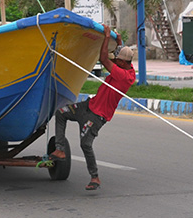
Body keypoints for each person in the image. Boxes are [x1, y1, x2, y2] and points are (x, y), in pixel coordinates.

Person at [50, 25, 136, 191]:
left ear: (123, 63)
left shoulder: (124, 76)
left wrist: (105, 37)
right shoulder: (126, 66)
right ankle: (60, 149)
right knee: (61, 113)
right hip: (88, 106)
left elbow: (103, 59)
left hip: (96, 116)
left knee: (85, 144)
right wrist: (118, 41)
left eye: (117, 60)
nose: (114, 60)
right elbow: (117, 55)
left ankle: (95, 177)